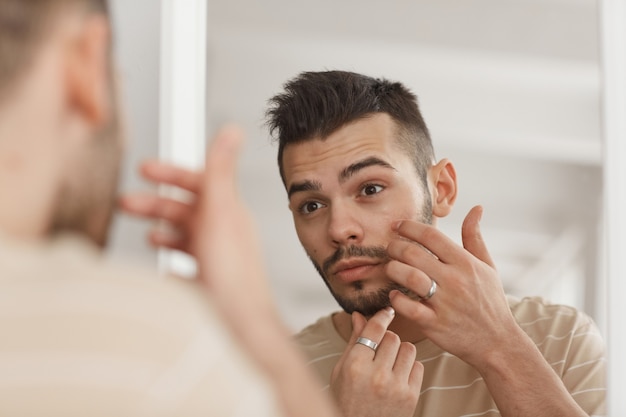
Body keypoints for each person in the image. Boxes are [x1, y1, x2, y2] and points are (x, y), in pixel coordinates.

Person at [121, 70, 606, 417]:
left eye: (370, 189)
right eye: (311, 204)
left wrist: (499, 348)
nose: (339, 228)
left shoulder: (559, 339)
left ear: (441, 190)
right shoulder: (262, 380)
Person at [0, 1, 342, 416]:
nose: (341, 229)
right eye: (120, 79)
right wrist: (253, 318)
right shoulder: (148, 348)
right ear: (85, 60)